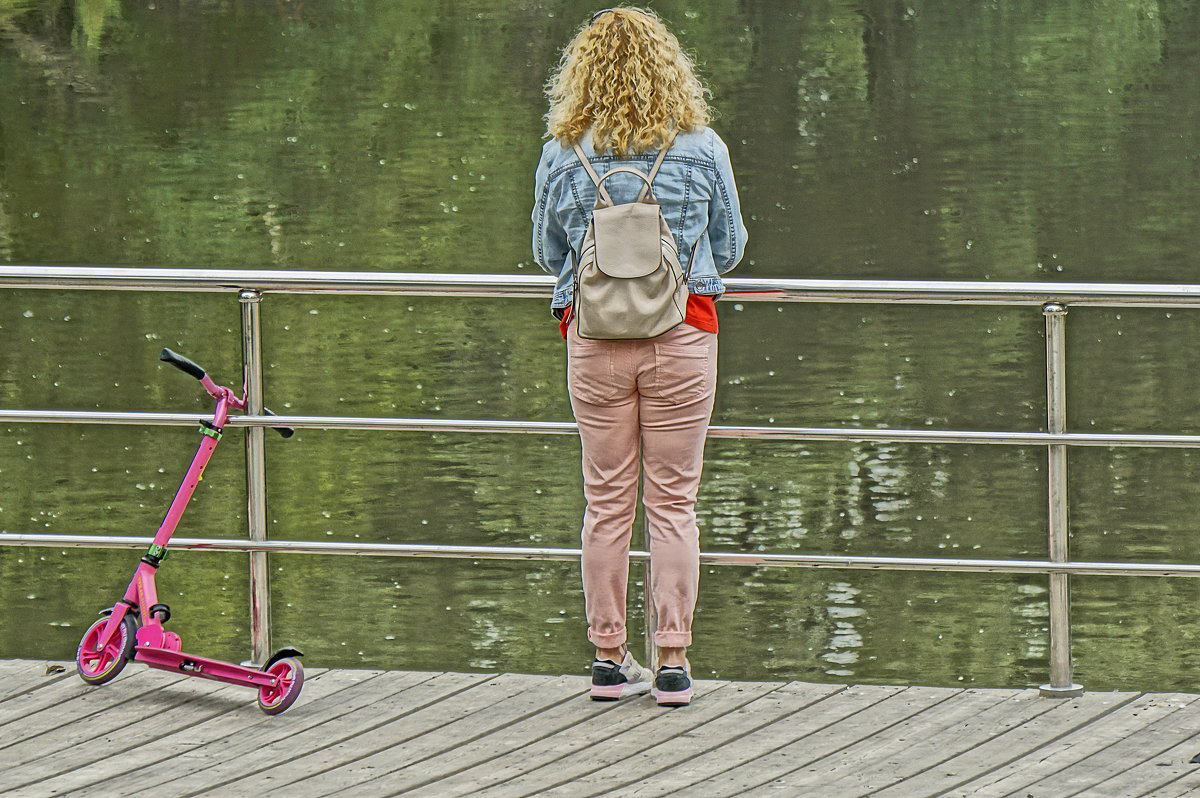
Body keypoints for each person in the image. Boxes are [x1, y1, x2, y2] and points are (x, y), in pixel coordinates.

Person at [531, 7, 747, 706]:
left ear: (580, 72)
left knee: (606, 503)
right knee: (674, 502)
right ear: (670, 67)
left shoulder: (564, 152)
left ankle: (606, 659)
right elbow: (732, 243)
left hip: (594, 341)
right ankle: (674, 661)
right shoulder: (700, 145)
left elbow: (545, 254)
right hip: (682, 334)